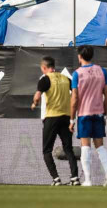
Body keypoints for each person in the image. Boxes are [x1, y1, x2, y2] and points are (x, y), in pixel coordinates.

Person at [69, 45, 107, 187]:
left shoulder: (77, 73)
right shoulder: (102, 71)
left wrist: (71, 119)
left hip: (84, 114)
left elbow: (75, 98)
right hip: (99, 113)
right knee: (100, 147)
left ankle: (88, 180)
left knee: (85, 147)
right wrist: (105, 114)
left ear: (80, 56)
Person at [32, 56, 80, 186]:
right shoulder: (66, 79)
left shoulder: (45, 79)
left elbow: (37, 96)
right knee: (68, 149)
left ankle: (56, 179)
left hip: (52, 117)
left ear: (44, 68)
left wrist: (34, 103)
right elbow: (76, 94)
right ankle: (75, 178)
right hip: (65, 117)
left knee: (47, 150)